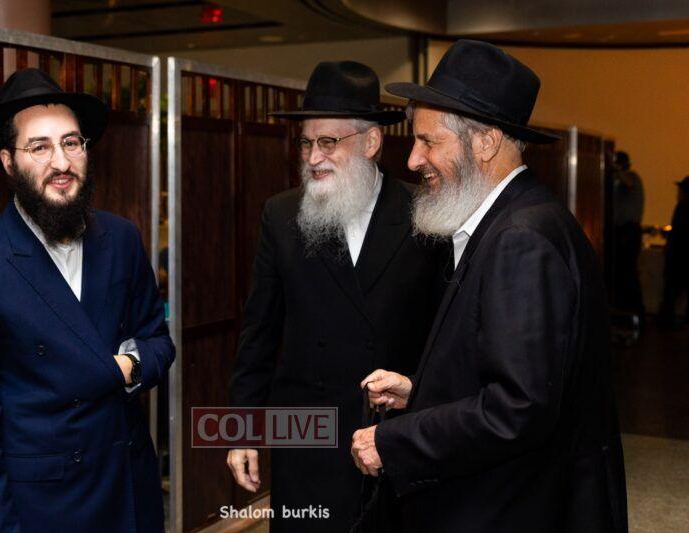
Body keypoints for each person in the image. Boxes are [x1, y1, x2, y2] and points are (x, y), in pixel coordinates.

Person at [351, 40, 627, 532]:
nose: (412, 160)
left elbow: (518, 409)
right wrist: (421, 392)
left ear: (485, 143)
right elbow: (519, 375)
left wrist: (393, 441)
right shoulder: (514, 220)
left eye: (428, 141)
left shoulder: (521, 239)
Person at [0, 68, 175, 533]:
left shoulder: (121, 239)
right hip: (48, 508)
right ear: (8, 162)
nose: (61, 162)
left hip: (130, 490)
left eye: (71, 143)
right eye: (39, 147)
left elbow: (158, 341)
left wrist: (129, 367)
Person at [226, 61, 444, 532]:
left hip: (394, 434)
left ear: (371, 142)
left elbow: (446, 333)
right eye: (306, 143)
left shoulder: (425, 215)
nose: (313, 157)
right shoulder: (282, 215)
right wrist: (242, 430)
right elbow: (258, 333)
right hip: (307, 437)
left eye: (328, 142)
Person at [612, 150, 646, 317]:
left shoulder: (632, 177)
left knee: (628, 272)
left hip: (628, 231)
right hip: (623, 232)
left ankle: (635, 310)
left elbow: (628, 183)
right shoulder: (620, 180)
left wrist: (615, 170)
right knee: (623, 272)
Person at [659, 176, 689, 327]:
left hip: (678, 257)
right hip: (680, 256)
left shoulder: (682, 208)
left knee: (671, 291)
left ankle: (667, 320)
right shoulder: (681, 207)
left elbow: (678, 233)